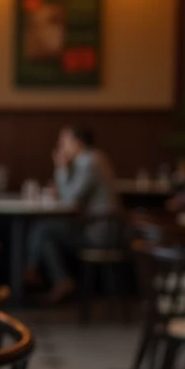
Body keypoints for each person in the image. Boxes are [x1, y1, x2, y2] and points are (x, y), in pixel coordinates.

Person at [26, 126, 117, 304]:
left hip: (99, 232)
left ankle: (34, 271)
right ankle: (54, 278)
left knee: (42, 229)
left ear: (78, 143)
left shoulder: (90, 162)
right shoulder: (92, 159)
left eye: (64, 142)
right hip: (96, 226)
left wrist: (60, 167)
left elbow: (70, 199)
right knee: (45, 232)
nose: (60, 146)